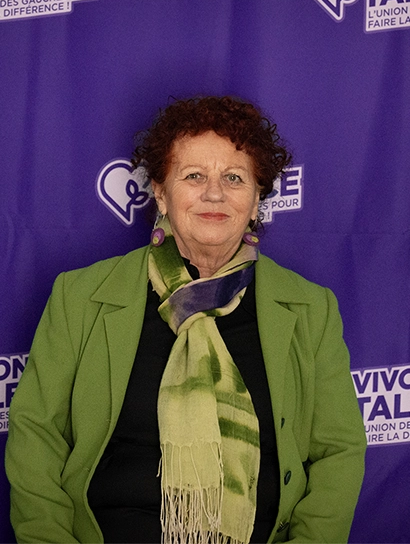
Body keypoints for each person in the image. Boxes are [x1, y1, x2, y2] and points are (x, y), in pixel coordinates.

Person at [6, 96, 366, 544]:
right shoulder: (79, 298)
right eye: (194, 176)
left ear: (257, 198)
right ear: (160, 192)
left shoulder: (310, 309)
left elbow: (338, 452)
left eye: (234, 178)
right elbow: (35, 436)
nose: (215, 193)